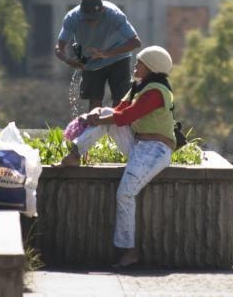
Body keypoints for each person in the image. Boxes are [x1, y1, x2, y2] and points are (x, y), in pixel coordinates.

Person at [56, 46, 176, 268]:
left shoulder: (157, 91)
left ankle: (129, 251)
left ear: (151, 68)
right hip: (139, 143)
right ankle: (75, 153)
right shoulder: (138, 87)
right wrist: (96, 115)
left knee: (125, 194)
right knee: (104, 112)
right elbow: (118, 110)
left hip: (156, 149)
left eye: (140, 63)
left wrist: (98, 121)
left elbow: (130, 115)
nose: (136, 66)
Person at [55, 0, 141, 110]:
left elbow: (136, 42)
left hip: (118, 56)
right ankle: (95, 127)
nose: (92, 23)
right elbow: (59, 48)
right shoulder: (72, 17)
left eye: (94, 19)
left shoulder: (115, 15)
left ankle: (117, 127)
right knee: (94, 99)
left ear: (103, 10)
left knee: (120, 99)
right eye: (87, 20)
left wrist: (107, 54)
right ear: (81, 12)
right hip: (91, 60)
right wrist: (69, 61)